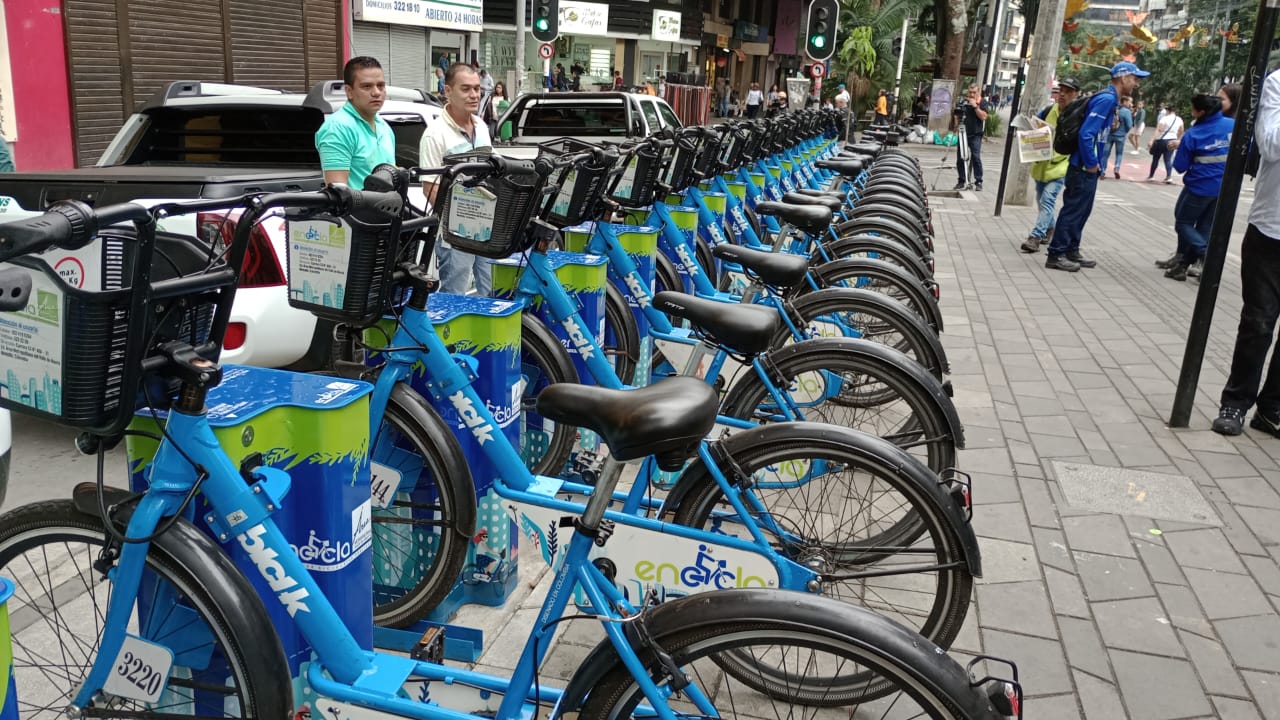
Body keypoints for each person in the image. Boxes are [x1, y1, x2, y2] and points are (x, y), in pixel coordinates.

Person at [1210, 68, 1280, 436]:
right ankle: (1235, 403)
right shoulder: (1278, 83)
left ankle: (1271, 410)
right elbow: (1269, 143)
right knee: (1258, 323)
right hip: (1272, 230)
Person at [1045, 61, 1149, 272]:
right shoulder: (1107, 99)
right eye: (1134, 78)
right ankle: (1057, 253)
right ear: (1123, 77)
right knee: (1074, 210)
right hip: (1083, 167)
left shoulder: (1110, 99)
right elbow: (1086, 134)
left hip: (1087, 167)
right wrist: (1092, 163)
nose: (1136, 83)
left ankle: (1072, 249)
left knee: (1083, 210)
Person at [419, 64, 494, 297]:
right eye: (466, 89)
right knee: (455, 296)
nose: (474, 95)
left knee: (489, 291)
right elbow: (430, 189)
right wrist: (462, 219)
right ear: (448, 91)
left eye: (476, 89)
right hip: (455, 236)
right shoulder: (435, 134)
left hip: (486, 228)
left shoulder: (481, 126)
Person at [1158, 92, 1234, 282]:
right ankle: (1183, 265)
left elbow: (1180, 166)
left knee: (1183, 223)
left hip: (1200, 186)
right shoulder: (1232, 126)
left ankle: (1205, 254)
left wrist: (1179, 147)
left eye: (1193, 109)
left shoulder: (1194, 133)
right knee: (1204, 227)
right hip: (1224, 187)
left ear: (1201, 112)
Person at [314, 56, 395, 191]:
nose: (376, 92)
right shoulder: (337, 128)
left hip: (389, 210)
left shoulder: (384, 127)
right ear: (349, 91)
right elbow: (339, 194)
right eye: (367, 86)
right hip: (356, 212)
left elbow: (392, 177)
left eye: (380, 85)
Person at [1021, 77, 1081, 253]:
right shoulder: (1048, 111)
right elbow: (1033, 128)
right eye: (1060, 90)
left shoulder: (1078, 115)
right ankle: (1050, 228)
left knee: (1047, 199)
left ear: (1076, 94)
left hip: (1061, 166)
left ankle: (1035, 237)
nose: (1062, 94)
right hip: (1041, 165)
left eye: (1068, 91)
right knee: (1042, 202)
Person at [952, 84, 991, 191]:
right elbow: (957, 114)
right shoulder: (963, 100)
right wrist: (956, 124)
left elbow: (983, 116)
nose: (972, 94)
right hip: (963, 133)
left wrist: (975, 106)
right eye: (970, 92)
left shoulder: (982, 102)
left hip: (976, 134)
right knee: (961, 158)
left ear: (978, 92)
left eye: (974, 92)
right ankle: (961, 180)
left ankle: (978, 181)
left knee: (976, 157)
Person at [1147, 104, 1184, 183]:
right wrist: (1177, 138)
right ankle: (1169, 176)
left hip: (1162, 140)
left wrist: (1152, 140)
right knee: (1168, 159)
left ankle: (1151, 175)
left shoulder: (1164, 119)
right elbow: (1181, 130)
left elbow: (1159, 129)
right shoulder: (1179, 119)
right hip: (1172, 140)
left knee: (1156, 158)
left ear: (1168, 110)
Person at [1101, 96, 1134, 179]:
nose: (1130, 103)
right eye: (1129, 101)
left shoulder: (1114, 108)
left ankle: (1103, 170)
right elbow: (1129, 125)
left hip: (1110, 134)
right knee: (1119, 153)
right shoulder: (1126, 111)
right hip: (1120, 136)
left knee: (1105, 153)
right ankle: (1116, 168)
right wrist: (1124, 131)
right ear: (1125, 102)